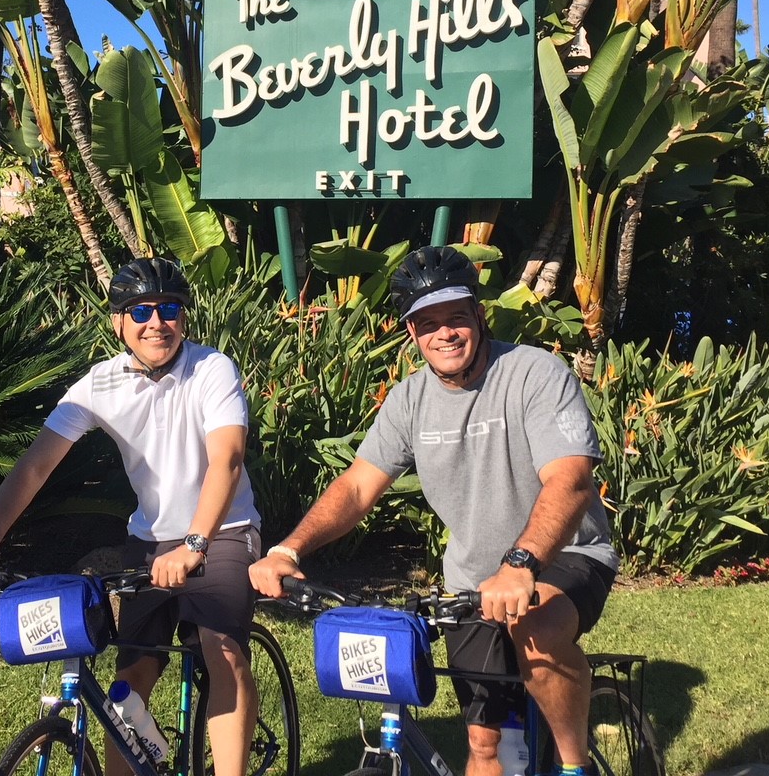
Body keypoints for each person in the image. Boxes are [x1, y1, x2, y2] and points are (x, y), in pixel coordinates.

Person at [250, 245, 618, 776]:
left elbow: (570, 480)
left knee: (536, 633)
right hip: (471, 581)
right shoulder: (409, 400)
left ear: (479, 316)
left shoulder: (534, 373)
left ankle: (574, 767)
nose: (444, 333)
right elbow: (357, 486)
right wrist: (288, 550)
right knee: (486, 741)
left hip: (563, 556)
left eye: (456, 318)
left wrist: (520, 565)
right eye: (428, 323)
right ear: (412, 333)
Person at [0, 257, 260, 776]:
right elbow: (34, 467)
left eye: (169, 309)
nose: (156, 322)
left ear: (184, 318)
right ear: (118, 322)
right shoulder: (100, 384)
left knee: (223, 650)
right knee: (129, 680)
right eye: (140, 311)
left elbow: (226, 459)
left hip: (223, 532)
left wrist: (195, 544)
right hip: (149, 540)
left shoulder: (212, 369)